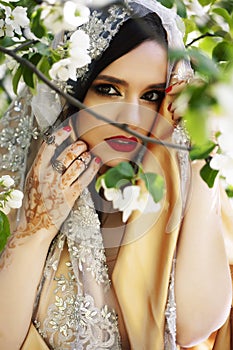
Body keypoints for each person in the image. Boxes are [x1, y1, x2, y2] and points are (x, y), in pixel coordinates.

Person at [0, 0, 232, 349]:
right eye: (108, 89)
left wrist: (197, 154)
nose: (131, 119)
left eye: (151, 95)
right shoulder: (17, 185)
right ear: (69, 92)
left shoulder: (173, 179)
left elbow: (193, 326)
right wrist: (38, 227)